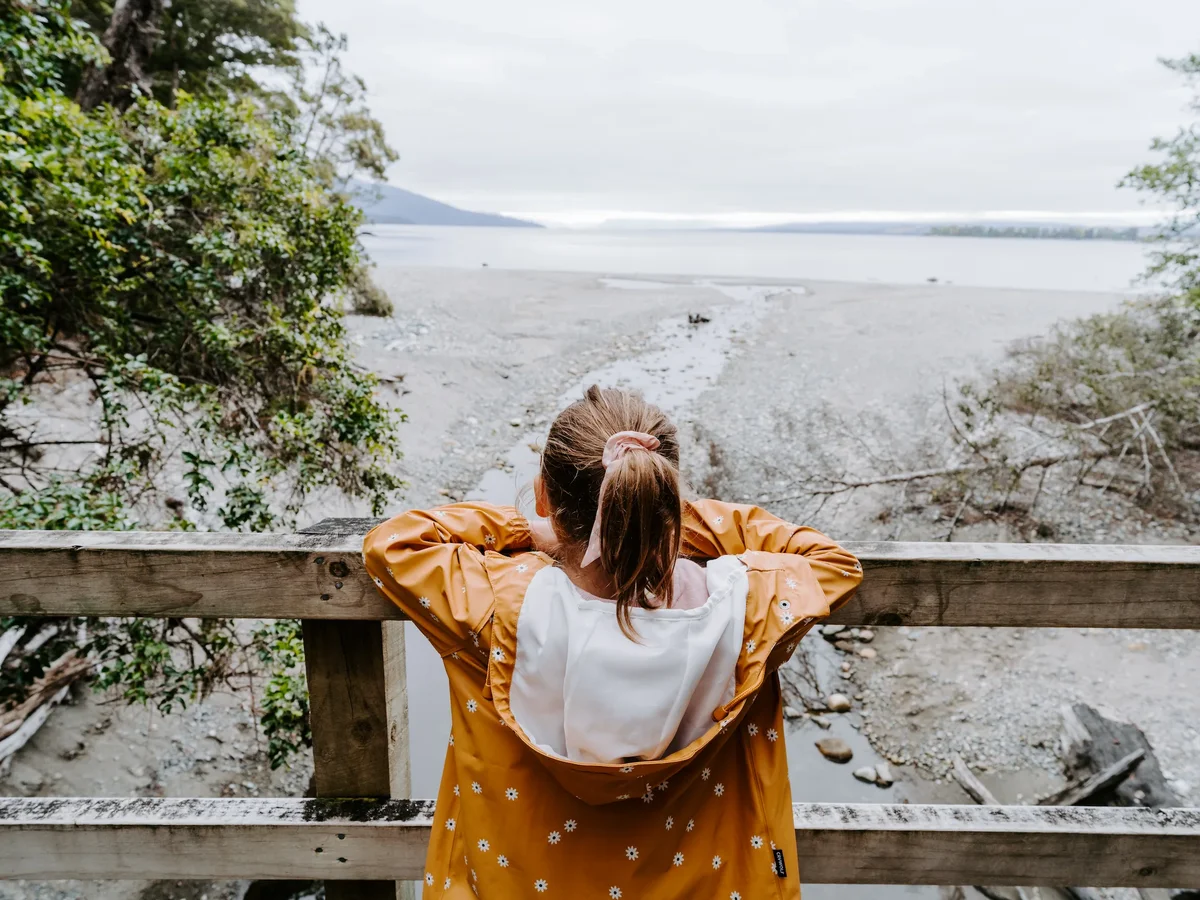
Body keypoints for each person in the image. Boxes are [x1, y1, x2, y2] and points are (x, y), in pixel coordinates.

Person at [363, 384, 862, 899]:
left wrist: (532, 529)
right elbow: (835, 564)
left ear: (543, 495)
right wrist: (656, 524)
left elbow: (393, 543)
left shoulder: (496, 604)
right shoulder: (745, 609)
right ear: (666, 496)